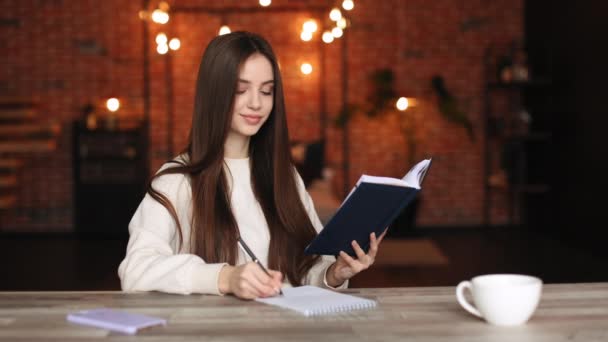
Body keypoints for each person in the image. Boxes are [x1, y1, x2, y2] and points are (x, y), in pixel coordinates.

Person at [118, 31, 386, 299]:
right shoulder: (177, 178)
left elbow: (305, 270)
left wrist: (333, 274)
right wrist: (226, 277)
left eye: (267, 91)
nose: (256, 103)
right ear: (214, 94)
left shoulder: (285, 176)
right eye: (241, 90)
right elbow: (136, 269)